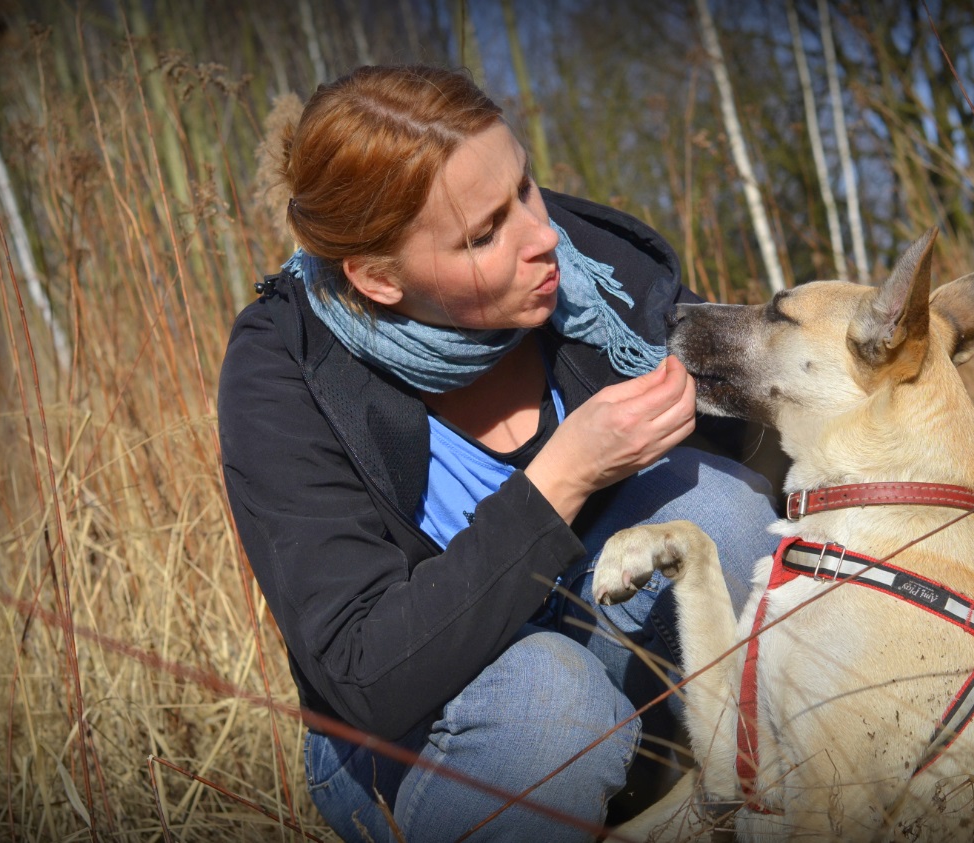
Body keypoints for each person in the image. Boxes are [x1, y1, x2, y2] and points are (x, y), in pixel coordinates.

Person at [218, 64, 777, 843]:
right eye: (484, 233)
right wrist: (563, 476)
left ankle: (739, 812)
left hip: (603, 653)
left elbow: (769, 470)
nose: (542, 238)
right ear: (380, 279)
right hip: (412, 736)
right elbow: (365, 672)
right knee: (552, 697)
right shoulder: (283, 371)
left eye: (524, 187)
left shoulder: (594, 278)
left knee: (726, 512)